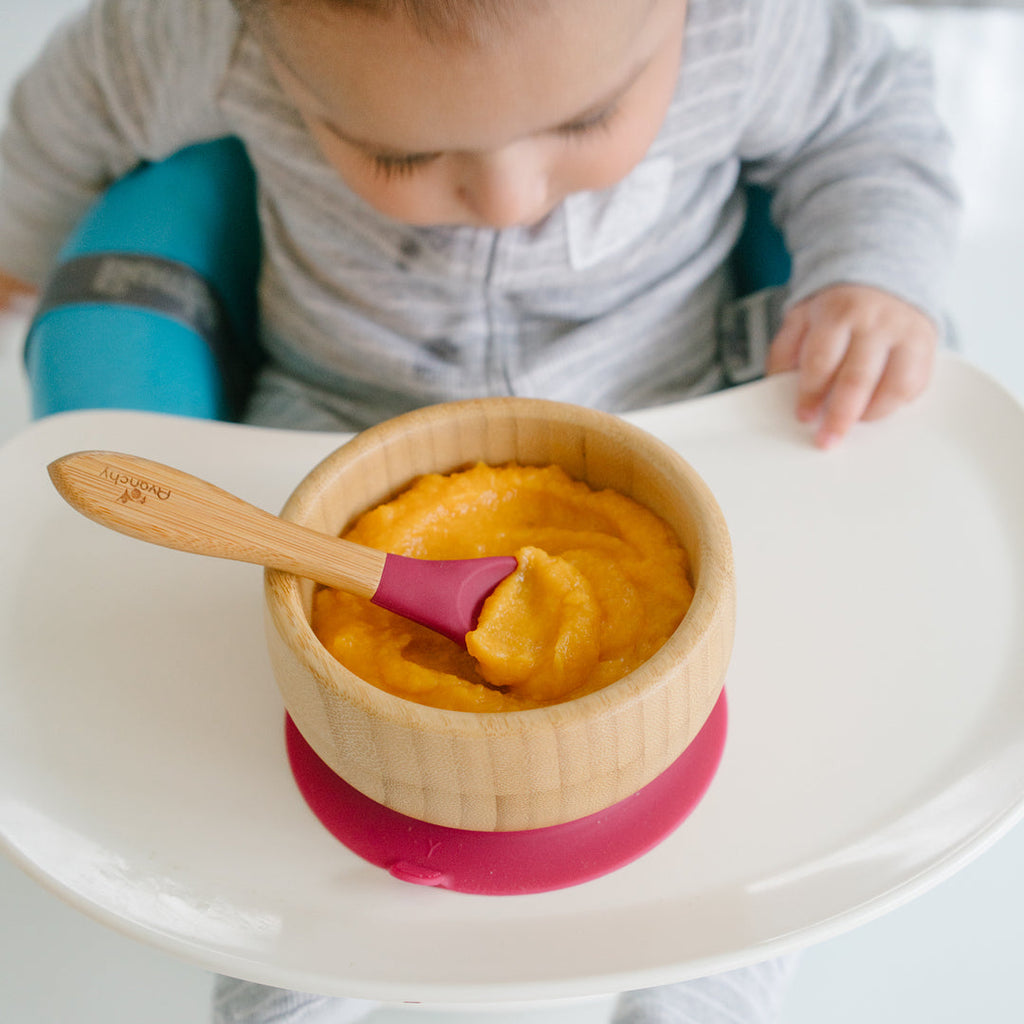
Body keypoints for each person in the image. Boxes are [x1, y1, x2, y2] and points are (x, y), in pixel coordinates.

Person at [0, 0, 958, 1020]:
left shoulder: (741, 29)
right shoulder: (210, 32)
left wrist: (875, 275)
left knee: (766, 741)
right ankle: (286, 960)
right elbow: (71, 115)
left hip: (666, 413)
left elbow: (871, 116)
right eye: (403, 157)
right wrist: (17, 240)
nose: (506, 198)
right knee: (252, 745)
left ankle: (713, 965)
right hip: (333, 422)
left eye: (586, 122)